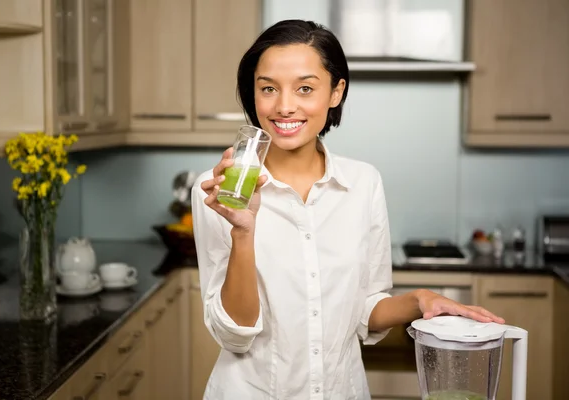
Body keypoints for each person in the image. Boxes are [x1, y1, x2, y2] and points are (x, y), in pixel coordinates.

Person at [191, 19, 504, 400]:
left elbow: (365, 308)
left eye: (305, 88)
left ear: (336, 92)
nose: (284, 106)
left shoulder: (364, 183)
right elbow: (234, 335)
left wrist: (420, 298)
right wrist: (243, 232)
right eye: (268, 89)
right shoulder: (222, 190)